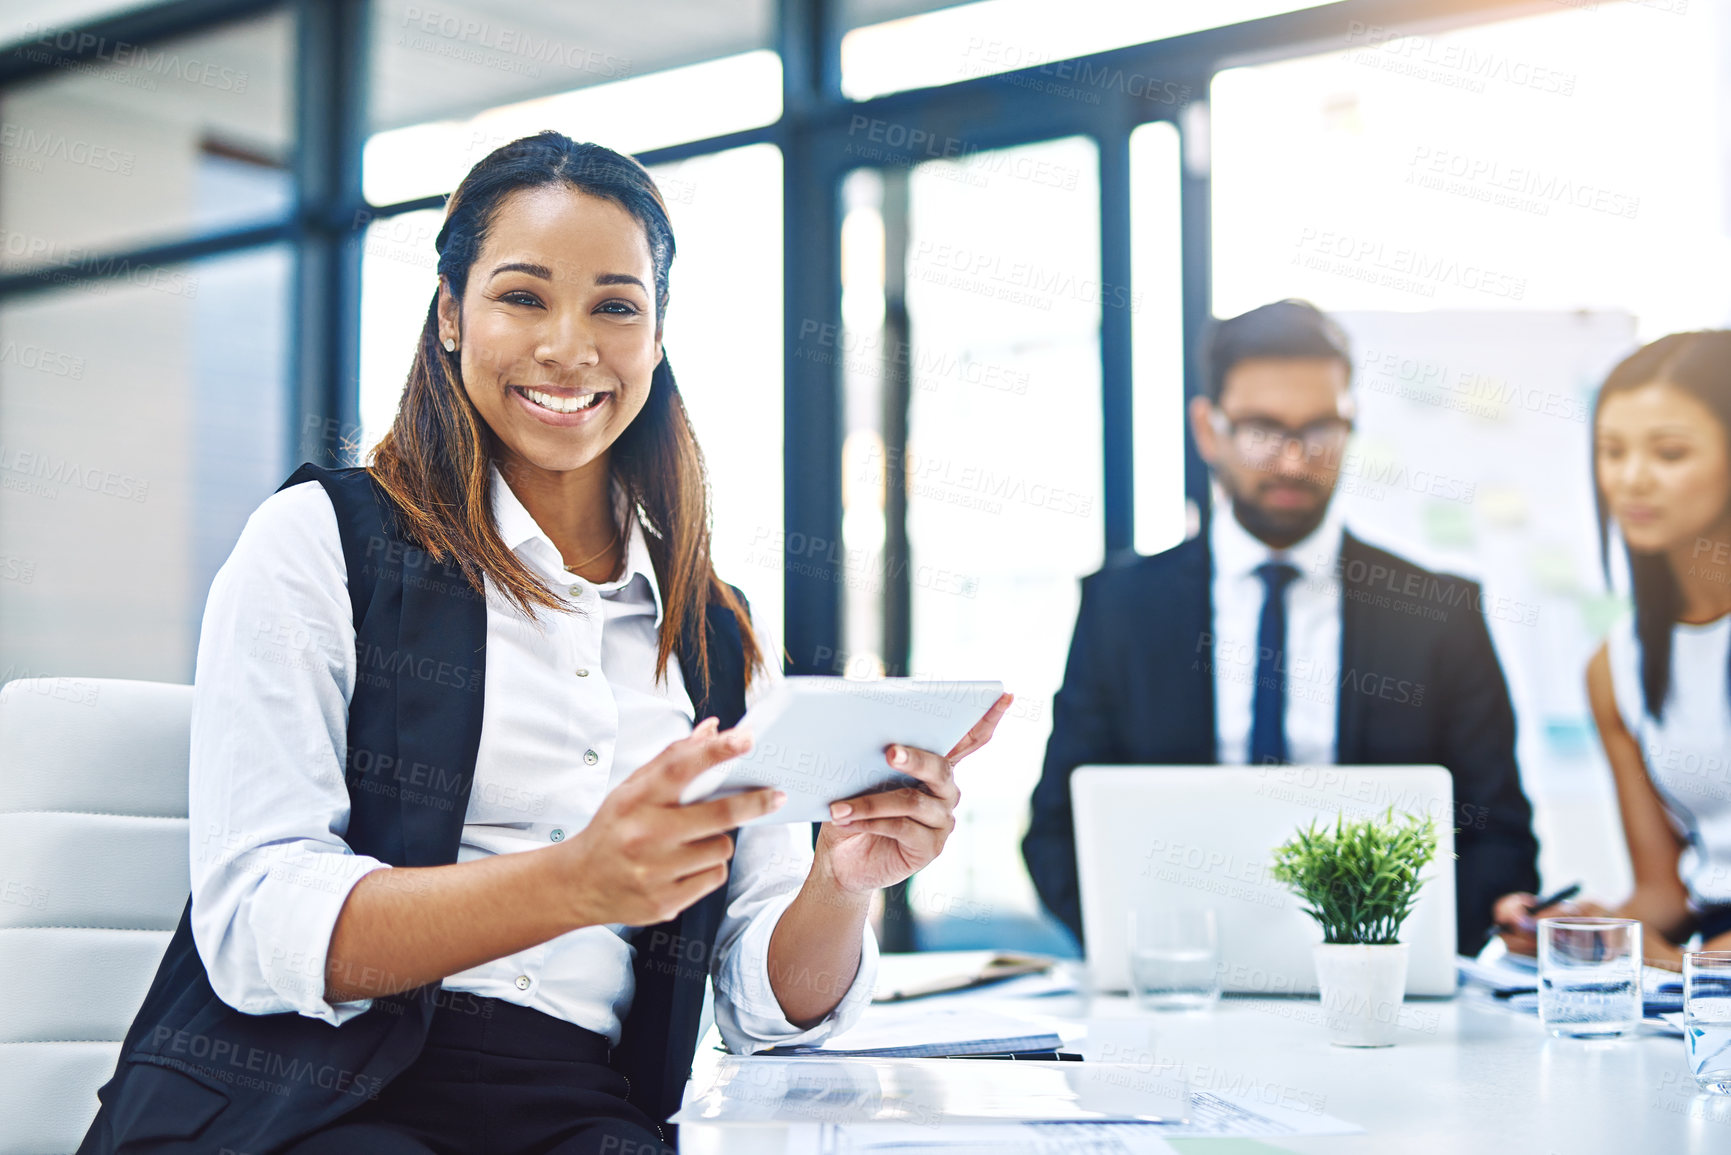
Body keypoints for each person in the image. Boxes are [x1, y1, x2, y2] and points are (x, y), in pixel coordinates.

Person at [78, 132, 1011, 1155]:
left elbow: (762, 1008)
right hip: (306, 1092)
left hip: (576, 1108)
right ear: (449, 314)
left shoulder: (715, 637)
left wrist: (841, 882)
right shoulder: (319, 543)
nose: (571, 347)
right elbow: (258, 925)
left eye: (616, 305)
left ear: (656, 338)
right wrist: (574, 881)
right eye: (522, 296)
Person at [1022, 299, 1540, 952]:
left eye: (1320, 430)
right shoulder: (1120, 608)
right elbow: (1057, 830)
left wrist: (1409, 951)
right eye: (1264, 430)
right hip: (1177, 985)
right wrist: (1139, 954)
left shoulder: (1438, 613)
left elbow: (1498, 837)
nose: (1294, 461)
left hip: (1381, 988)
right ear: (1208, 430)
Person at [1495, 332, 1731, 967]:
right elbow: (1663, 891)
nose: (1631, 479)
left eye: (1670, 452)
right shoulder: (1615, 667)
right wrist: (1575, 929)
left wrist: (1689, 965)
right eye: (1611, 452)